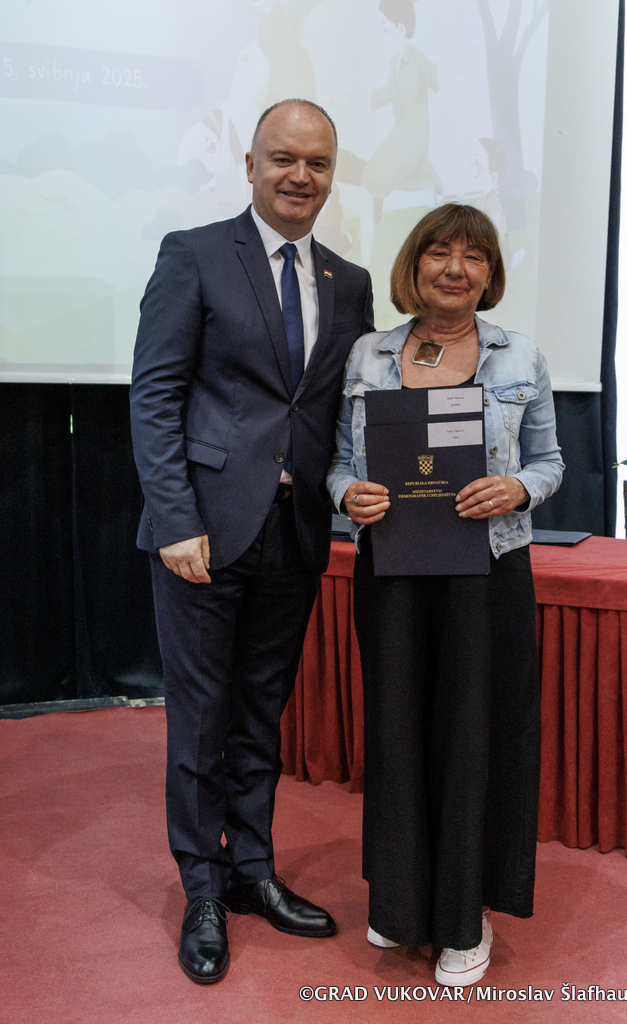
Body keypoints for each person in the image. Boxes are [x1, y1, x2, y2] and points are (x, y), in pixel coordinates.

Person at [130, 98, 373, 985]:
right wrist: (175, 520)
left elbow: (339, 409)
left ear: (331, 175)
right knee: (200, 721)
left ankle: (251, 870)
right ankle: (201, 889)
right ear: (250, 165)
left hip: (296, 533)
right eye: (283, 159)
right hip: (201, 535)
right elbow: (155, 395)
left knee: (261, 715)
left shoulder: (349, 281)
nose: (299, 176)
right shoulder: (193, 254)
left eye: (316, 163)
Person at [327, 203, 563, 987]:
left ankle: (465, 917)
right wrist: (346, 495)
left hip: (486, 574)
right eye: (438, 252)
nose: (454, 268)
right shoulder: (367, 355)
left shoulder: (519, 355)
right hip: (392, 572)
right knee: (396, 734)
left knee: (474, 737)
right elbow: (337, 463)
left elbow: (549, 462)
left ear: (489, 273)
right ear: (414, 264)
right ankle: (401, 904)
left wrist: (517, 489)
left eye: (473, 255)